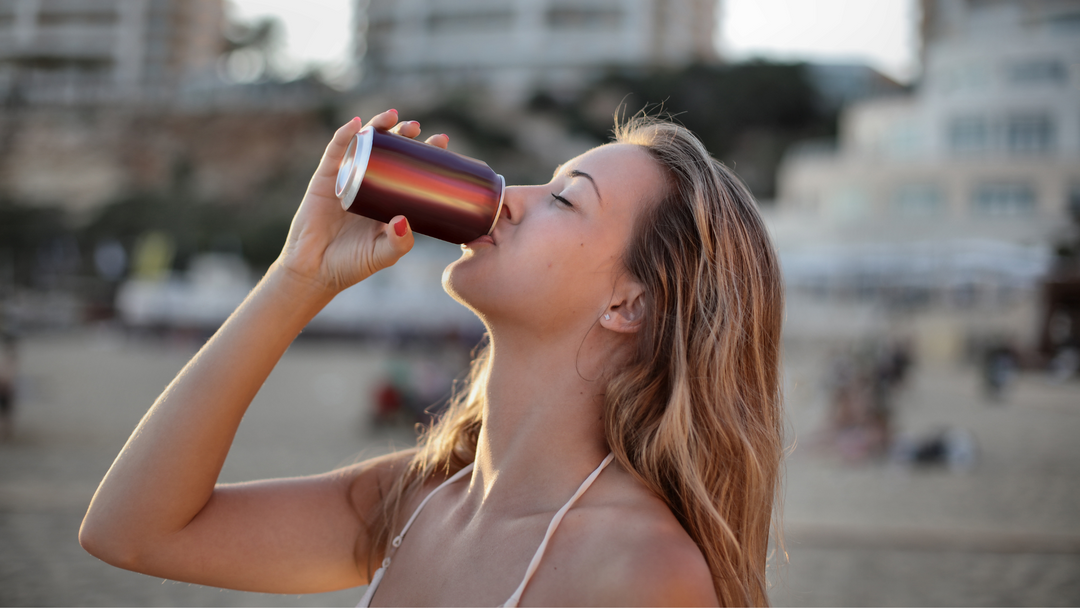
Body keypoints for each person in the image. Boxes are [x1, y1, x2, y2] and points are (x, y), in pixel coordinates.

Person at [79, 109, 785, 606]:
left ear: (629, 305)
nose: (509, 198)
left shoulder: (640, 573)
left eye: (565, 200)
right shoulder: (418, 500)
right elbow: (132, 531)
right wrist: (298, 276)